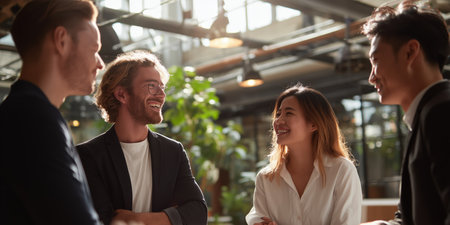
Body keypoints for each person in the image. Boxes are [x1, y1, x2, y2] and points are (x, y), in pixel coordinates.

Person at [0, 0, 105, 224]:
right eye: (95, 49)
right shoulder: (33, 120)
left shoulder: (21, 111)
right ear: (62, 40)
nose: (101, 64)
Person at [76, 50, 208, 225]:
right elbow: (102, 219)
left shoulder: (172, 151)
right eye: (152, 86)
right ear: (122, 94)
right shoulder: (88, 155)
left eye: (162, 87)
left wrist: (134, 219)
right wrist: (168, 218)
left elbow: (197, 212)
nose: (161, 95)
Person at [360, 1, 450, 224]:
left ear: (410, 52)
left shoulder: (441, 112)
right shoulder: (425, 115)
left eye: (375, 61)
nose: (371, 77)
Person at [246, 84, 362, 225]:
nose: (278, 121)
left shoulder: (342, 170)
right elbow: (257, 219)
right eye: (278, 114)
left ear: (313, 124)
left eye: (288, 113)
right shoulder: (265, 178)